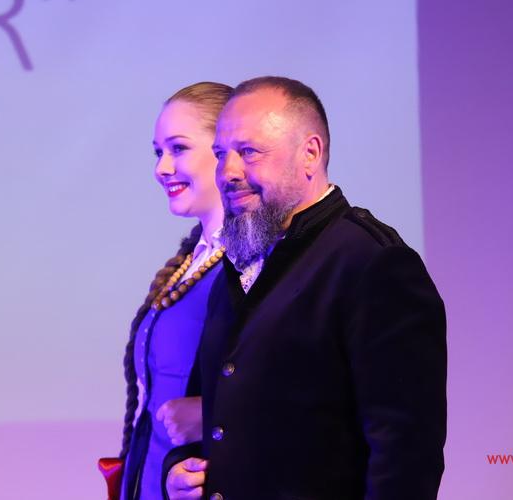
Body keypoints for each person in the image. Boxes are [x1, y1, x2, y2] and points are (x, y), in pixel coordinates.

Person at [166, 76, 447, 500]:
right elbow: (209, 409)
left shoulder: (372, 263)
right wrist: (179, 469)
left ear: (310, 154)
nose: (229, 172)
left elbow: (405, 455)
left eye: (249, 152)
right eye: (221, 154)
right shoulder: (239, 259)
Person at [114, 81, 232, 500]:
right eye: (158, 152)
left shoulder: (252, 266)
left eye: (178, 148)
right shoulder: (193, 259)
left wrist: (213, 413)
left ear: (225, 149)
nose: (162, 168)